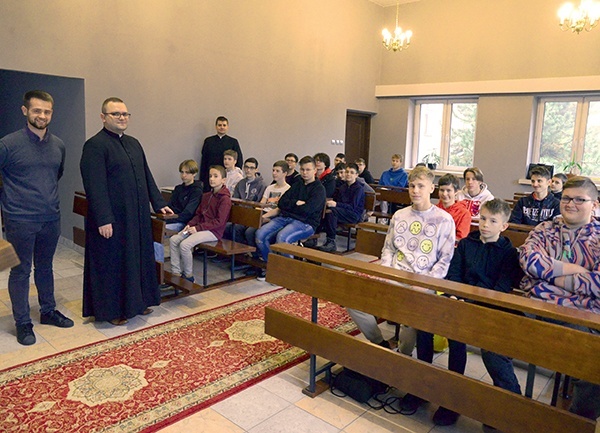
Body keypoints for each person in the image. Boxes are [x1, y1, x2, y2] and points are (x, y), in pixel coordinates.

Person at [80, 97, 173, 326]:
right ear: (103, 117)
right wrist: (103, 219)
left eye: (125, 114)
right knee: (113, 264)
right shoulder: (95, 145)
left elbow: (146, 174)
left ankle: (138, 302)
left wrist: (158, 202)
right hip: (112, 219)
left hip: (137, 216)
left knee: (138, 259)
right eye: (116, 114)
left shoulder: (134, 143)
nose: (122, 118)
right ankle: (113, 310)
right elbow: (95, 185)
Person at [347, 166, 455, 359]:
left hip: (423, 282)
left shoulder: (444, 220)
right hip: (393, 276)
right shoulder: (400, 215)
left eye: (421, 186)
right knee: (353, 300)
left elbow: (444, 261)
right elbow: (388, 248)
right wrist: (387, 273)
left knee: (410, 317)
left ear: (432, 189)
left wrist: (424, 283)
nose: (415, 190)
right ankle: (380, 343)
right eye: (412, 186)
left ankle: (402, 358)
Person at [519, 176, 600, 420]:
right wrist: (579, 274)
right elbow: (528, 260)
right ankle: (508, 411)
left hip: (582, 319)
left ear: (594, 205)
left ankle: (575, 423)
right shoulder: (546, 228)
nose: (570, 204)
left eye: (579, 199)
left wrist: (550, 277)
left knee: (594, 367)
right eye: (566, 198)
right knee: (490, 340)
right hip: (536, 310)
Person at [438, 199, 524, 426]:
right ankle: (451, 399)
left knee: (492, 352)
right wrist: (455, 295)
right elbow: (454, 274)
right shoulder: (467, 244)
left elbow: (502, 287)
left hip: (489, 307)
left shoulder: (508, 253)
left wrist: (475, 304)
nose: (485, 224)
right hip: (461, 301)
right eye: (483, 218)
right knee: (450, 337)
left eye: (493, 221)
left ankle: (504, 408)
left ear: (503, 226)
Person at [0, 90, 74, 345]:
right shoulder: (8, 144)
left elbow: (56, 175)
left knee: (45, 267)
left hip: (50, 218)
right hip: (19, 219)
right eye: (37, 110)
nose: (42, 116)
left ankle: (48, 311)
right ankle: (22, 323)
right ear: (25, 111)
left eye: (47, 111)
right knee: (20, 271)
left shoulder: (59, 145)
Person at [255, 156, 326, 280]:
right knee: (260, 234)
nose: (304, 172)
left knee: (282, 238)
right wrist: (296, 203)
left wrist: (292, 205)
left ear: (315, 170)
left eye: (308, 170)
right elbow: (282, 202)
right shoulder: (297, 185)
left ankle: (289, 273)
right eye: (302, 169)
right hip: (285, 218)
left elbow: (307, 210)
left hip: (306, 224)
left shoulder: (319, 189)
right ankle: (273, 267)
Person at [169, 165, 232, 283]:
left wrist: (197, 228)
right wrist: (190, 224)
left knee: (185, 245)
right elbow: (198, 214)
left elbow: (219, 221)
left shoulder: (225, 199)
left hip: (213, 231)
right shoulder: (206, 196)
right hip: (200, 227)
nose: (212, 179)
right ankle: (176, 272)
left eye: (215, 176)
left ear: (223, 180)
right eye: (210, 176)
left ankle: (188, 275)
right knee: (174, 239)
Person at [153, 160, 203, 263]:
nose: (183, 175)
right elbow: (170, 206)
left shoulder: (196, 191)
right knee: (153, 228)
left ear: (194, 174)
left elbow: (188, 213)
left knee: (158, 231)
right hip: (173, 219)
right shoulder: (178, 188)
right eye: (182, 172)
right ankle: (154, 262)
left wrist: (169, 220)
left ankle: (158, 264)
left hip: (183, 223)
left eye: (187, 172)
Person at [317, 163, 365, 252]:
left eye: (351, 172)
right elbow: (338, 201)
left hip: (354, 215)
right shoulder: (343, 187)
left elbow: (352, 207)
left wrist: (336, 204)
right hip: (342, 211)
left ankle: (331, 241)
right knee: (326, 210)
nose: (348, 174)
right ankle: (315, 235)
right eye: (347, 172)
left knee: (332, 211)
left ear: (356, 175)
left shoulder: (359, 189)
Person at [223, 157, 266, 243]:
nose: (248, 170)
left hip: (252, 215)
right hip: (240, 214)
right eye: (246, 167)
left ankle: (244, 250)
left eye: (251, 168)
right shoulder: (241, 183)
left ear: (256, 169)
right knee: (226, 227)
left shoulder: (261, 185)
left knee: (238, 229)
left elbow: (259, 204)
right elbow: (235, 200)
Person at [200, 116, 243, 192]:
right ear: (216, 127)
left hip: (226, 177)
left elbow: (238, 160)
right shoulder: (208, 141)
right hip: (210, 175)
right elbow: (204, 161)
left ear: (227, 127)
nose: (222, 127)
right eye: (219, 125)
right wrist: (202, 179)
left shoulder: (233, 142)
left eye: (224, 125)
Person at [436, 173, 472, 241]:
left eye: (448, 190)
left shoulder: (464, 214)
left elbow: (460, 238)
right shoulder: (433, 210)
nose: (444, 194)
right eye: (442, 190)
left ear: (456, 192)